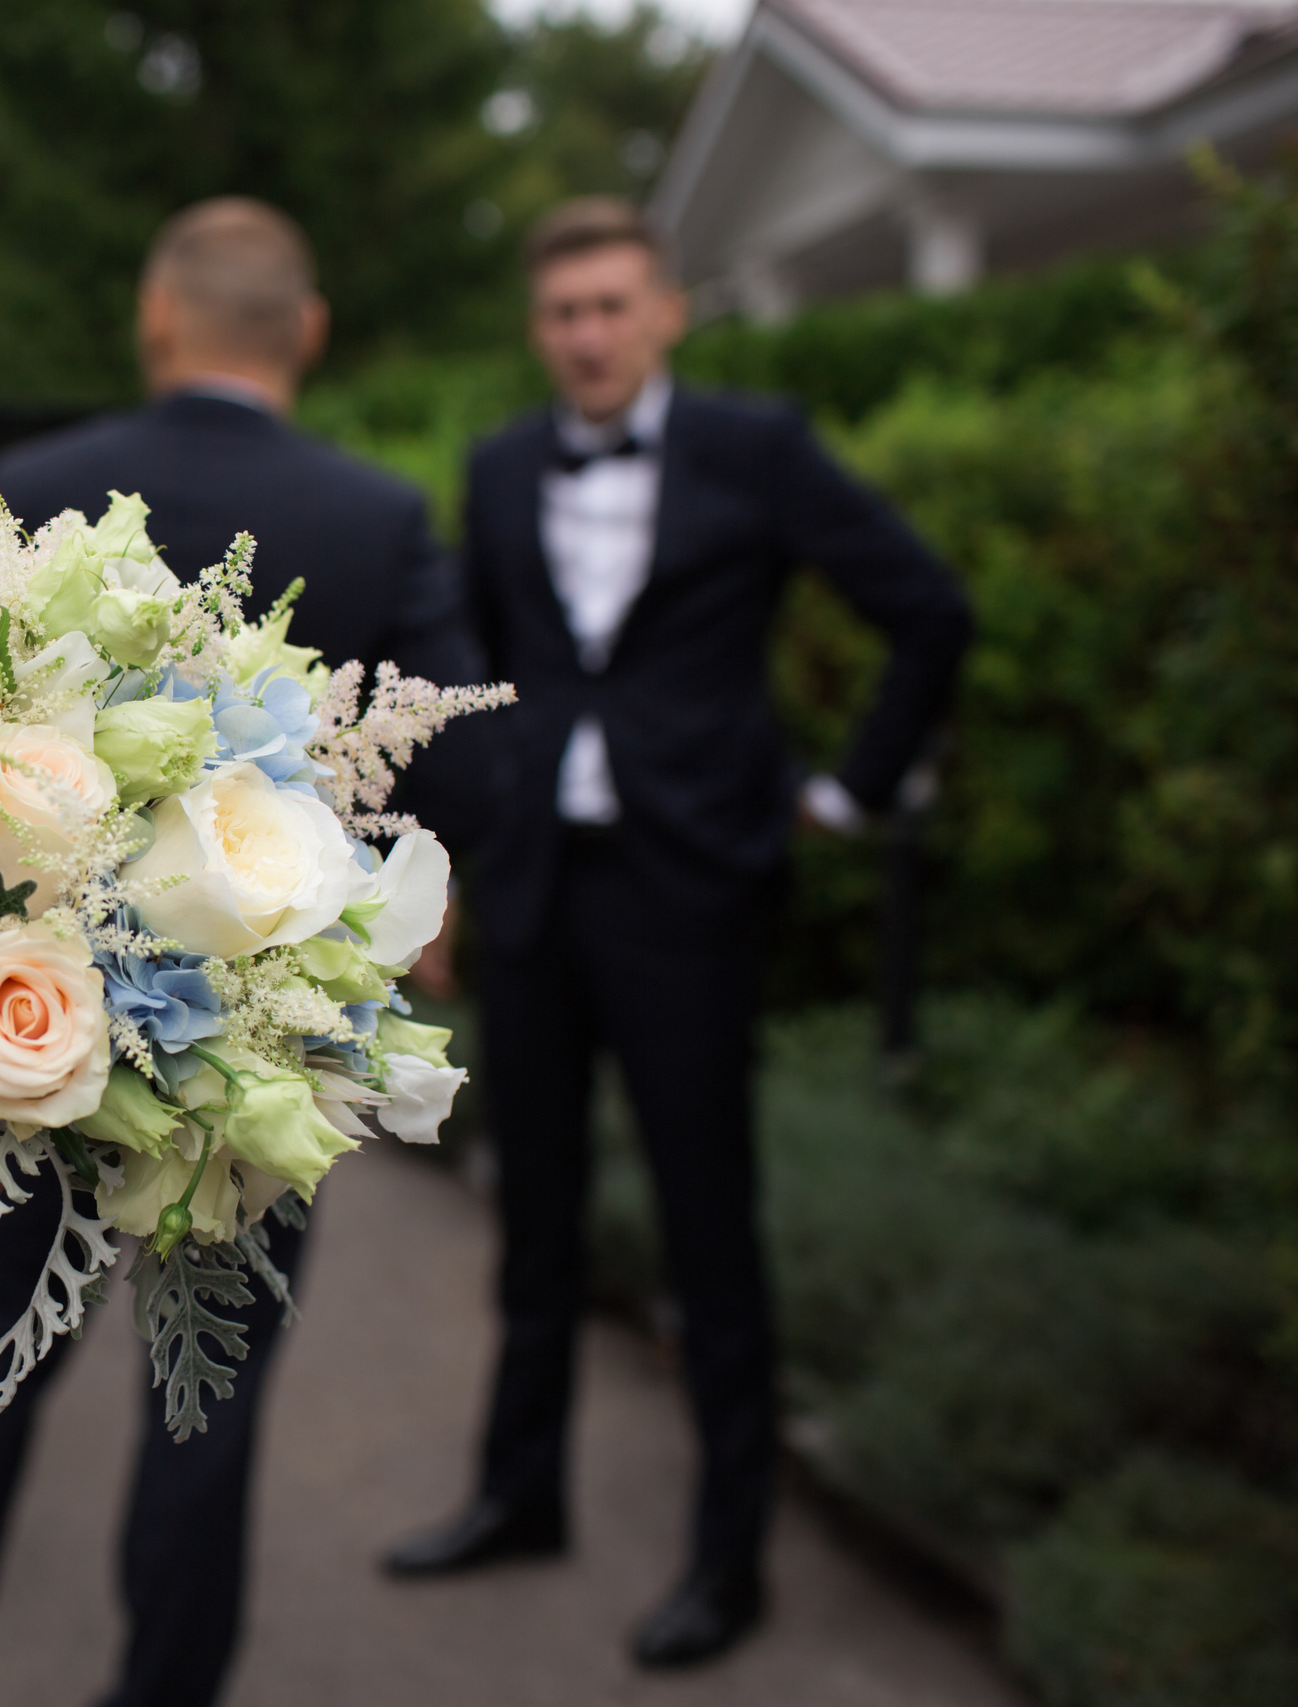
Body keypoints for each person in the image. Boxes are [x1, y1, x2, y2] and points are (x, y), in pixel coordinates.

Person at [0, 197, 472, 1707]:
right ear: (314, 333)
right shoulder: (381, 514)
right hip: (270, 1046)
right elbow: (461, 775)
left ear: (157, 318)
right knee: (205, 1401)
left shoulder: (42, 483)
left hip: (22, 1024)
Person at [379, 198, 972, 1666]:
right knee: (537, 1217)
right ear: (540, 329)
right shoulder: (501, 464)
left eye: (611, 305)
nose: (587, 332)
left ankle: (730, 1564)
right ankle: (518, 1498)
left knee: (710, 1232)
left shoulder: (758, 451)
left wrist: (844, 795)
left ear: (666, 314)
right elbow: (490, 680)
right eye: (563, 310)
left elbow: (928, 609)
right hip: (534, 894)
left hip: (689, 893)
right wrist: (445, 863)